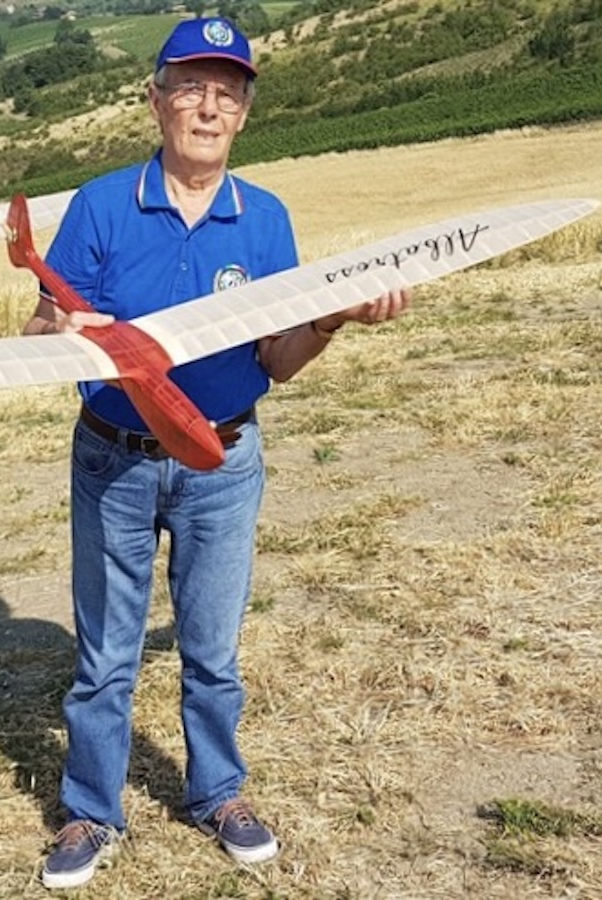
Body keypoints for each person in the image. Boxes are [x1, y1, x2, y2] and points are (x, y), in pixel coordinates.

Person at [21, 16, 410, 891]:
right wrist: (58, 326)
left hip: (225, 462)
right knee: (105, 657)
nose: (207, 105)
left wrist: (332, 318)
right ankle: (91, 808)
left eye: (225, 91)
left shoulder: (265, 221)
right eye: (189, 86)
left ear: (242, 112)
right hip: (113, 459)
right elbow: (41, 327)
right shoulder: (100, 205)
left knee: (212, 649)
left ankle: (218, 793)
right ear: (156, 101)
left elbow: (277, 360)